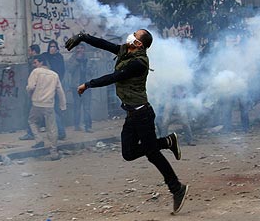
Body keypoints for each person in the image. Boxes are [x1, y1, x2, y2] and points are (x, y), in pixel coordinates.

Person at [65, 29, 188, 214]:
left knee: (152, 154)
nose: (130, 36)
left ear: (139, 44)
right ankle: (167, 141)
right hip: (132, 114)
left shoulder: (138, 62)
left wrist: (88, 84)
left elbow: (114, 77)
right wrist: (83, 37)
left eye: (135, 35)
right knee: (129, 153)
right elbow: (105, 45)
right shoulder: (126, 50)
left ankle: (177, 188)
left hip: (142, 114)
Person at [26, 55, 66, 160]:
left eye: (35, 62)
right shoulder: (54, 75)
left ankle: (39, 140)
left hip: (36, 103)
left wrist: (30, 94)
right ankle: (53, 152)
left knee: (32, 122)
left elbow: (30, 87)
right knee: (52, 128)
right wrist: (63, 106)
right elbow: (60, 92)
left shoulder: (35, 72)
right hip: (49, 105)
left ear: (41, 62)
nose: (33, 65)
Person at [42, 40, 66, 140]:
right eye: (51, 47)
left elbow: (62, 72)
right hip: (45, 87)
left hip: (55, 87)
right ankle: (55, 131)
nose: (52, 49)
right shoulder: (45, 56)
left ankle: (60, 132)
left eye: (54, 47)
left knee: (53, 110)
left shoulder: (59, 57)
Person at [67, 43, 92, 132]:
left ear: (84, 50)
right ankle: (77, 126)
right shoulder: (73, 59)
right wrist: (77, 61)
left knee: (87, 108)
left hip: (86, 86)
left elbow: (93, 71)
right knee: (77, 107)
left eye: (82, 48)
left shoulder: (88, 59)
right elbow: (70, 70)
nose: (80, 50)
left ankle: (88, 127)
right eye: (78, 48)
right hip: (76, 87)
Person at [19, 44, 41, 141]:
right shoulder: (39, 61)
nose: (28, 53)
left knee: (31, 114)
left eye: (29, 51)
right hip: (38, 91)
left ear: (33, 51)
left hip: (34, 91)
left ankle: (31, 133)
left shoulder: (34, 62)